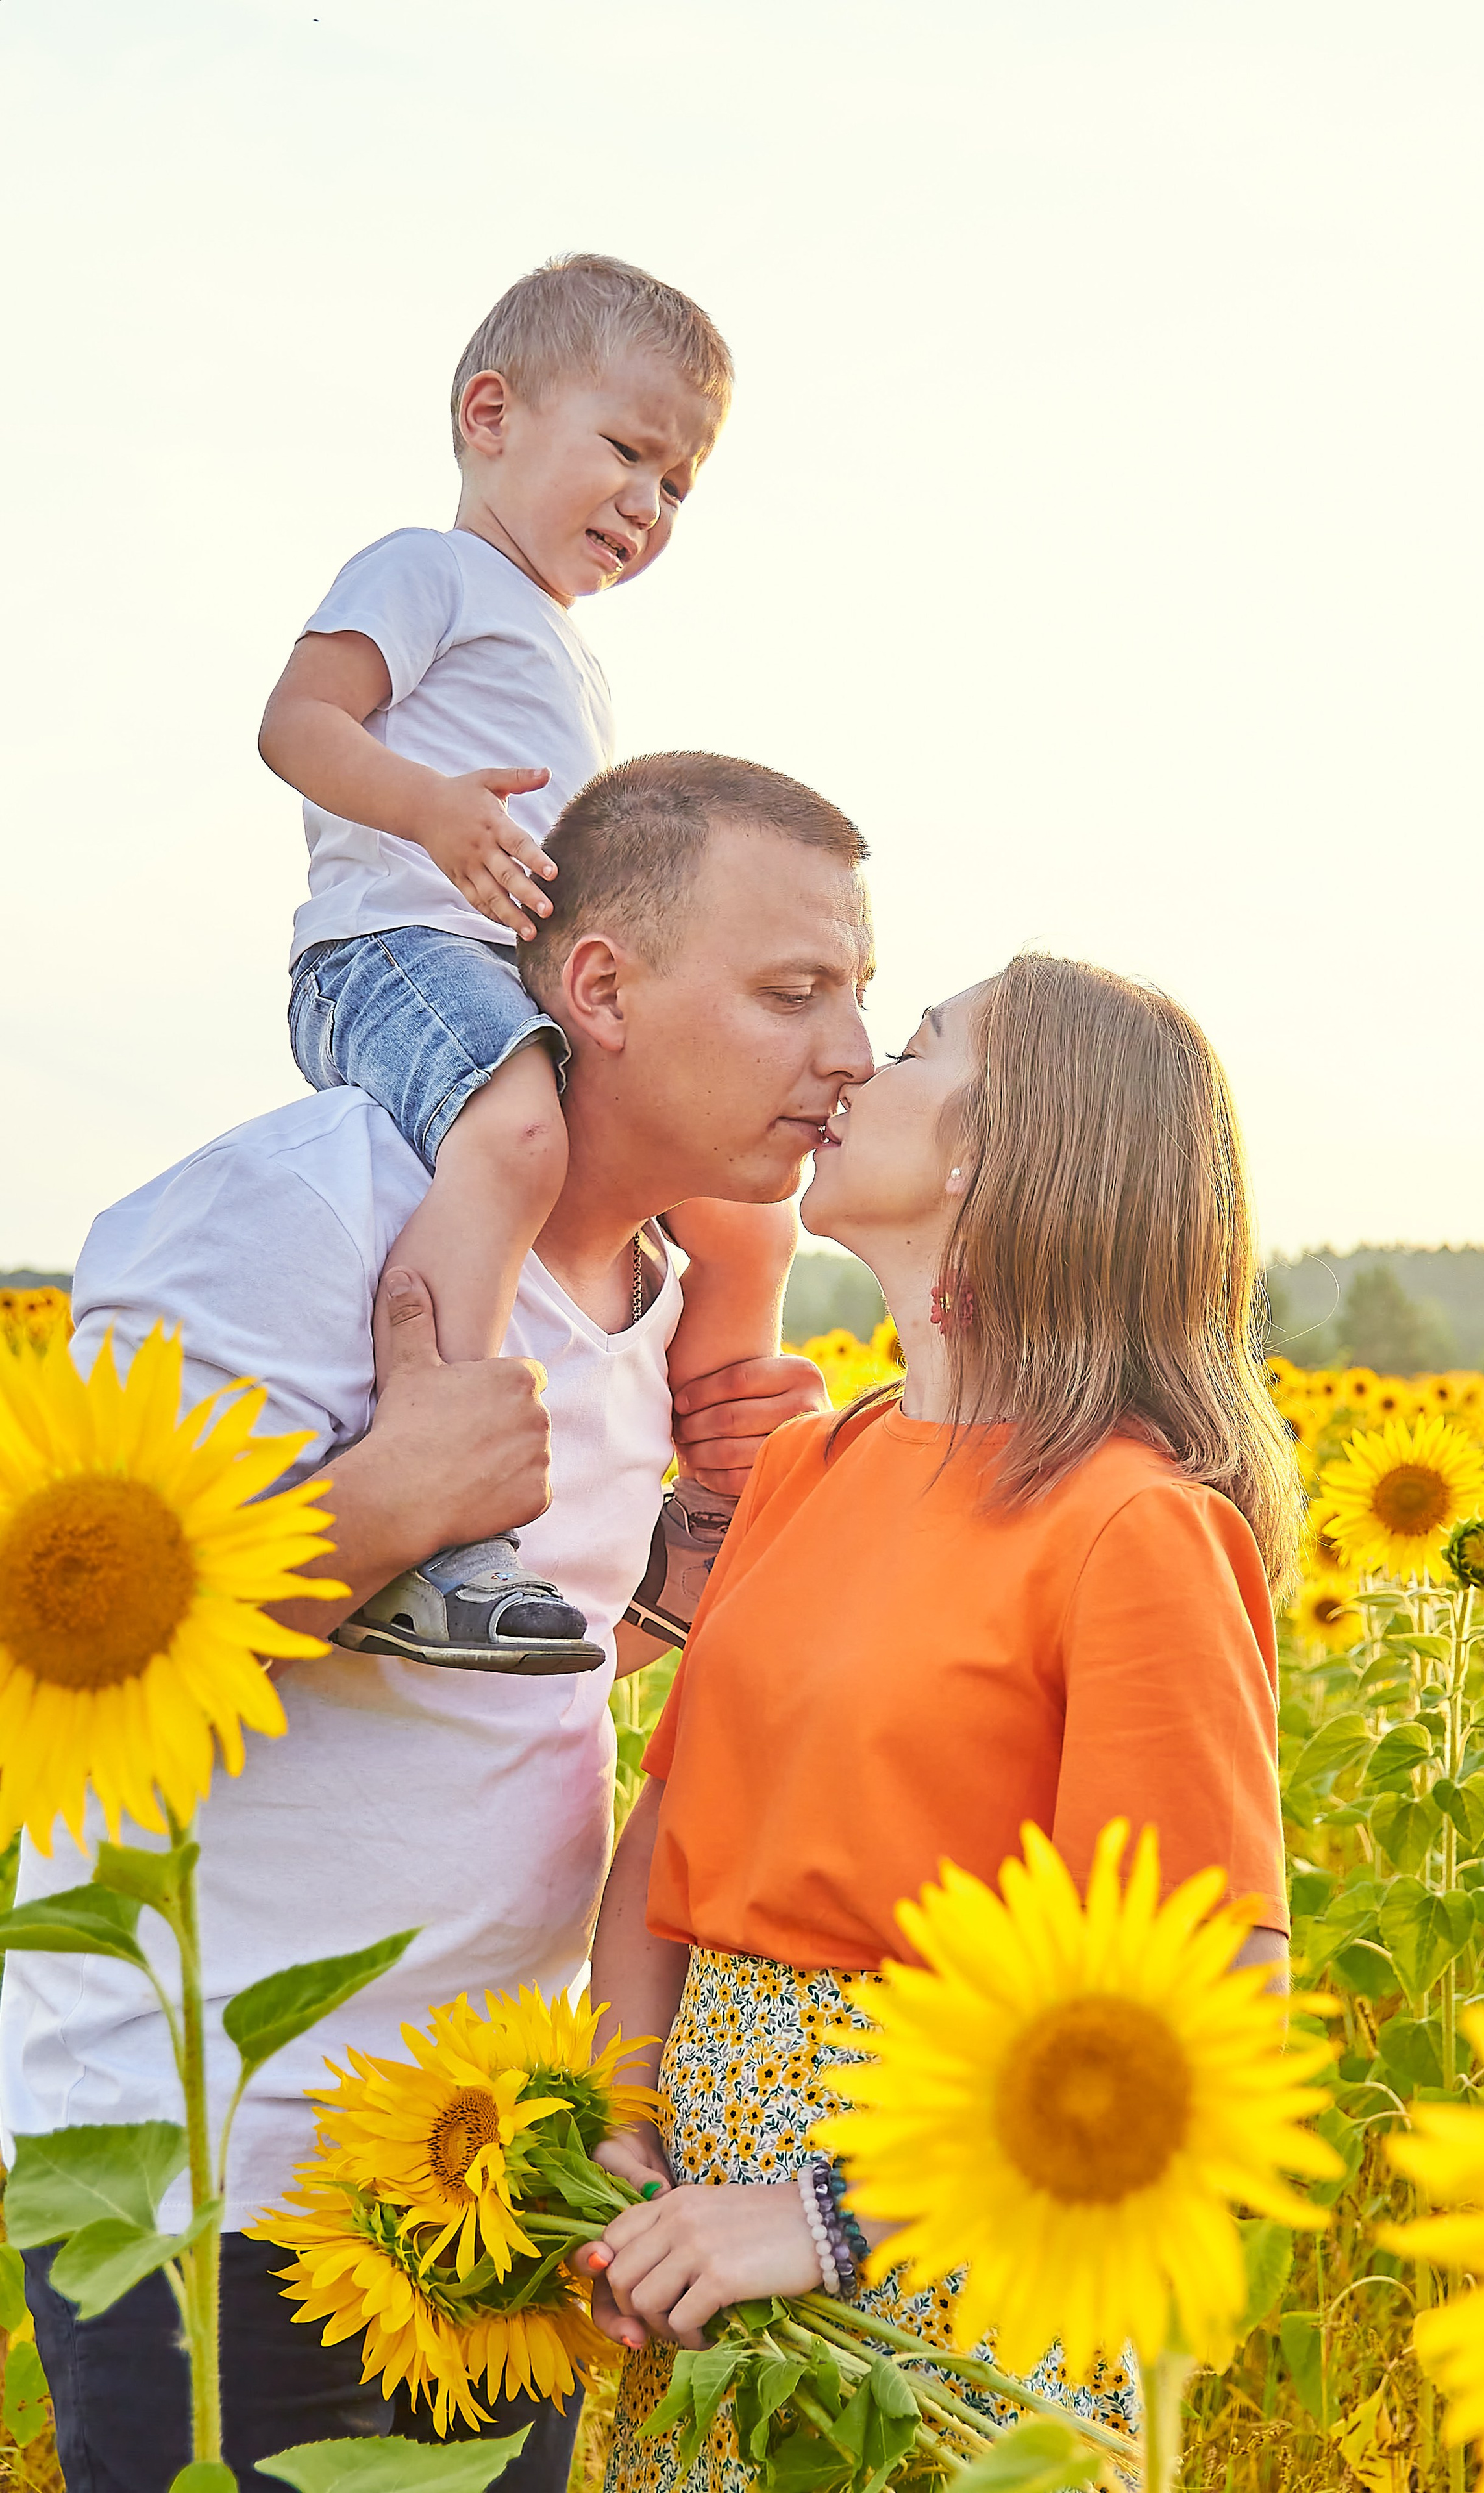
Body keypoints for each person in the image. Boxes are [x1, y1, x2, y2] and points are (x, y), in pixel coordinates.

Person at [1, 753, 875, 2493]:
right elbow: (57, 1641)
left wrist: (669, 1602)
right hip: (219, 2167)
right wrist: (389, 1499)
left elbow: (461, 1672)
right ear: (600, 988)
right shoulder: (300, 1212)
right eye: (794, 995)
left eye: (861, 1000)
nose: (847, 1055)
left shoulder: (656, 1298)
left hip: (489, 2159)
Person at [579, 954, 1301, 2493]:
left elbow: (1208, 2004)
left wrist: (832, 2213)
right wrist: (620, 2116)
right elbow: (663, 1837)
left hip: (949, 2256)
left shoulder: (1132, 1526)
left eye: (908, 1047)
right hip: (695, 2244)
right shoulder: (807, 1469)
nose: (849, 1070)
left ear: (999, 1150)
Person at [261, 253, 797, 1670]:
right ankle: (439, 1514)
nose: (647, 502)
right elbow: (299, 726)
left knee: (744, 1213)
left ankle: (703, 1511)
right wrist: (428, 809)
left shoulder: (566, 652)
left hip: (512, 981)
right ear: (490, 414)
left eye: (678, 486)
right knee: (509, 1140)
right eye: (626, 452)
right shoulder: (426, 571)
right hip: (392, 951)